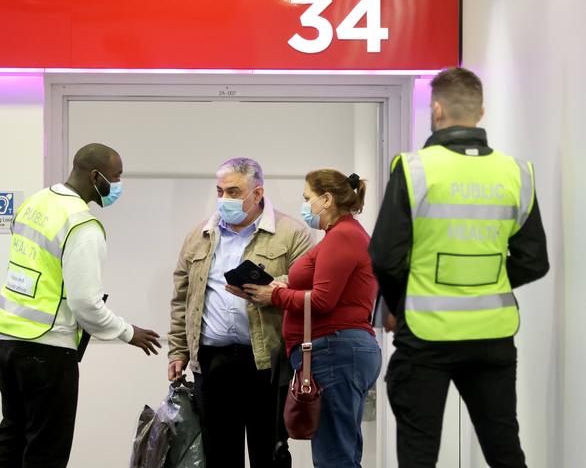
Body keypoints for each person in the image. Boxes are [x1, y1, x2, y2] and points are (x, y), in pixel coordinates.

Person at [370, 67, 550, 468]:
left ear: (436, 110)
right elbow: (534, 259)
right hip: (493, 336)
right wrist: (488, 281)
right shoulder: (516, 173)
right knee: (504, 449)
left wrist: (400, 306)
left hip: (426, 335)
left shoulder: (415, 169)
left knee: (419, 454)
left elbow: (385, 255)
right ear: (480, 112)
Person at [0, 143, 162, 468]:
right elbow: (85, 304)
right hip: (47, 349)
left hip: (5, 340)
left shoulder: (36, 202)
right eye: (117, 176)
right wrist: (128, 332)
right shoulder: (82, 225)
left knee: (12, 438)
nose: (119, 184)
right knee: (46, 451)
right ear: (95, 176)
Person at [167, 157, 313, 468]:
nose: (224, 199)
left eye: (233, 192)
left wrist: (272, 291)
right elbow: (182, 299)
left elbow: (308, 287)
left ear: (257, 194)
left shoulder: (292, 233)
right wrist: (177, 350)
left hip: (267, 362)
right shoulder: (199, 236)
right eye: (220, 191)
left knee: (269, 452)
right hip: (212, 360)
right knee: (219, 454)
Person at [244, 169, 382, 468]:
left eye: (308, 198)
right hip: (339, 352)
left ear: (327, 199)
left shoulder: (343, 236)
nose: (305, 205)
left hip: (335, 352)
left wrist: (275, 296)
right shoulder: (342, 236)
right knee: (339, 451)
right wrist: (286, 287)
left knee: (335, 457)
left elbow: (321, 300)